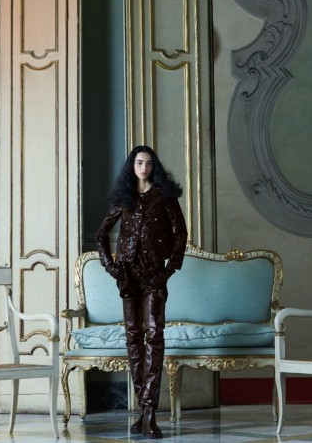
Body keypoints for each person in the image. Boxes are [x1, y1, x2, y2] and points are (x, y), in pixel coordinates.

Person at [95, 145, 188, 440]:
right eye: (139, 163)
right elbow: (101, 234)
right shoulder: (125, 197)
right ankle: (142, 409)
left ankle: (149, 411)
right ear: (132, 167)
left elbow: (180, 235)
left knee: (154, 336)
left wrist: (170, 269)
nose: (144, 168)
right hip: (127, 275)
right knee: (133, 338)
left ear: (153, 166)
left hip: (154, 274)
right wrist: (110, 267)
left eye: (148, 163)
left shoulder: (164, 196)